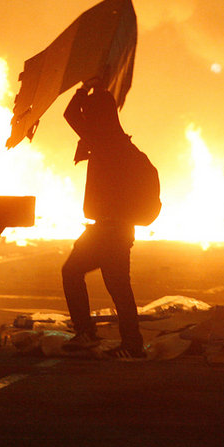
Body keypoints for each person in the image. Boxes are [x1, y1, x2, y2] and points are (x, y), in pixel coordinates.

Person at [60, 82, 148, 359]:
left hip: (107, 230)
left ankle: (88, 333)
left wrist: (83, 89)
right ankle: (132, 344)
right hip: (120, 229)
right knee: (119, 287)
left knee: (73, 273)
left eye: (91, 112)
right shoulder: (125, 147)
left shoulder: (102, 140)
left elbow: (70, 114)